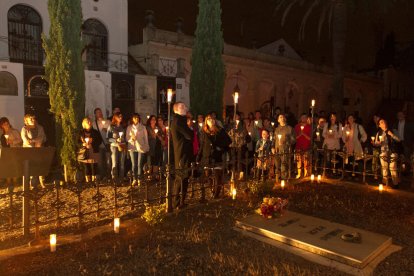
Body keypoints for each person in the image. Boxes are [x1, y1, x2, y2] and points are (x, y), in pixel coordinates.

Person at [197, 114, 231, 198]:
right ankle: (212, 190)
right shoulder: (204, 132)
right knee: (208, 176)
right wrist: (198, 156)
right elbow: (202, 145)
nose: (211, 120)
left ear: (214, 121)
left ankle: (216, 194)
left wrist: (221, 148)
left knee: (217, 176)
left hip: (217, 156)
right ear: (206, 121)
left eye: (212, 119)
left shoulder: (220, 130)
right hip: (207, 156)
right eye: (208, 119)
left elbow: (228, 141)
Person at [170, 102, 193, 209]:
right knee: (180, 178)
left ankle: (181, 202)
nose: (185, 108)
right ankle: (176, 202)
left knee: (184, 177)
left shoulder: (181, 120)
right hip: (181, 153)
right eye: (182, 107)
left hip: (185, 152)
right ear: (176, 110)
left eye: (185, 106)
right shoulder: (178, 120)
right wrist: (190, 129)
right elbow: (189, 135)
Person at [21, 114, 47, 188]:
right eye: (31, 119)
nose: (33, 120)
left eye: (33, 118)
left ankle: (42, 182)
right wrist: (33, 143)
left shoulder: (40, 127)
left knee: (40, 166)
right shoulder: (24, 129)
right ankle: (32, 184)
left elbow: (42, 138)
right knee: (31, 167)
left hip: (39, 150)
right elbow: (26, 141)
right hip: (29, 151)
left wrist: (33, 141)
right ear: (26, 121)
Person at [374, 119, 400, 188]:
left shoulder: (392, 130)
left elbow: (398, 140)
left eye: (384, 122)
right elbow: (376, 143)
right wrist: (378, 143)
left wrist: (392, 135)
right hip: (383, 152)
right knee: (384, 167)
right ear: (379, 125)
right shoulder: (378, 133)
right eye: (381, 122)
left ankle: (395, 183)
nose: (383, 123)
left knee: (392, 167)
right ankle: (385, 182)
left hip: (392, 151)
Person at [126, 113, 149, 185]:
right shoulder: (129, 127)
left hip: (141, 147)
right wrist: (131, 139)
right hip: (132, 147)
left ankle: (139, 179)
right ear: (132, 119)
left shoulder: (143, 127)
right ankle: (134, 179)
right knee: (134, 164)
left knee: (139, 164)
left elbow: (146, 138)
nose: (136, 119)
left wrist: (146, 146)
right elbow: (127, 138)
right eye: (134, 118)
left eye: (137, 118)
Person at [342, 114, 367, 178]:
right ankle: (349, 174)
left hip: (355, 145)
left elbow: (364, 135)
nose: (350, 120)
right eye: (349, 118)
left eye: (351, 118)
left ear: (354, 119)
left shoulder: (358, 126)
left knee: (356, 161)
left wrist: (360, 141)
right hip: (348, 145)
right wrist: (346, 138)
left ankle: (356, 175)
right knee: (348, 161)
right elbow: (343, 137)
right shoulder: (346, 127)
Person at [79, 118, 102, 182]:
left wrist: (92, 145)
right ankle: (88, 181)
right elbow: (77, 142)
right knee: (87, 166)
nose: (89, 122)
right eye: (87, 122)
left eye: (89, 121)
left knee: (95, 166)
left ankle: (95, 181)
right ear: (84, 124)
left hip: (94, 150)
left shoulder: (95, 132)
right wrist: (82, 144)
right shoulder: (81, 132)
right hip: (85, 152)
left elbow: (99, 141)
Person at [273, 114, 295, 181]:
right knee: (277, 165)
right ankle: (277, 179)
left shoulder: (289, 129)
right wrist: (272, 147)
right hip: (277, 149)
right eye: (280, 117)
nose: (282, 118)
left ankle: (284, 180)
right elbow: (274, 139)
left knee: (284, 165)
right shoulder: (276, 129)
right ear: (278, 120)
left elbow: (293, 140)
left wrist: (285, 142)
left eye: (283, 117)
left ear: (285, 119)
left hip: (285, 150)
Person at [228, 113, 248, 180]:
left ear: (239, 116)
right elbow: (228, 133)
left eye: (236, 115)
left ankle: (240, 174)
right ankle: (233, 174)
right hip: (233, 144)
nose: (235, 117)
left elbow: (244, 133)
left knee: (239, 159)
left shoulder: (242, 124)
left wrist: (238, 133)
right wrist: (232, 132)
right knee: (233, 159)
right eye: (234, 116)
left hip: (240, 144)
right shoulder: (231, 124)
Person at [93, 107, 111, 180]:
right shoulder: (94, 124)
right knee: (100, 163)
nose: (99, 114)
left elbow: (112, 134)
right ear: (95, 114)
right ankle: (102, 177)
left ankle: (108, 176)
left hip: (107, 145)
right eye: (97, 112)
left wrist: (107, 131)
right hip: (99, 146)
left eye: (100, 112)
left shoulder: (108, 122)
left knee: (108, 162)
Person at [107, 112, 126, 180]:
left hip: (122, 146)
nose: (120, 118)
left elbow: (125, 137)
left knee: (122, 163)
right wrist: (116, 141)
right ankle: (114, 179)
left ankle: (121, 179)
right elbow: (108, 139)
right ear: (115, 117)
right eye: (119, 116)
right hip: (114, 146)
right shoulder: (111, 126)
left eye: (121, 116)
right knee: (114, 163)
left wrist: (123, 140)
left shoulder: (123, 126)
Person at [294, 114, 311, 178]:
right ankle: (299, 173)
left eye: (305, 117)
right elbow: (294, 138)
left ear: (307, 119)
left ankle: (305, 174)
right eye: (302, 117)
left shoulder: (309, 127)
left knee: (306, 160)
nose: (303, 119)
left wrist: (303, 134)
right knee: (299, 160)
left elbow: (310, 138)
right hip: (298, 146)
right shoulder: (297, 127)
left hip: (306, 146)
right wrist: (300, 134)